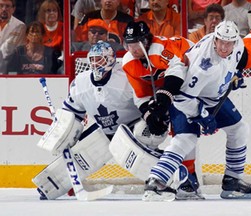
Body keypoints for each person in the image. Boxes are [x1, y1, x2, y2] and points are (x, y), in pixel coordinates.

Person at [142, 20, 251, 201]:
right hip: (186, 98)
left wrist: (234, 74)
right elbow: (182, 99)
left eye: (229, 43)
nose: (224, 47)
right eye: (221, 42)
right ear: (214, 40)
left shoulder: (239, 47)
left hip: (210, 97)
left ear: (235, 42)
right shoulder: (202, 66)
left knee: (239, 128)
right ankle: (156, 181)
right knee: (186, 139)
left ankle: (232, 180)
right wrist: (201, 115)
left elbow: (247, 49)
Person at [33, 41, 142, 200]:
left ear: (111, 59)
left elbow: (145, 102)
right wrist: (63, 130)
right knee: (81, 157)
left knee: (142, 153)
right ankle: (51, 186)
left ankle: (170, 180)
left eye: (100, 59)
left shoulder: (126, 77)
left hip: (132, 128)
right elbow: (72, 112)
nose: (95, 63)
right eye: (92, 59)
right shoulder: (82, 82)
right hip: (105, 131)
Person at [122, 21, 203, 200]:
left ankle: (188, 179)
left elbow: (178, 69)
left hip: (192, 75)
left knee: (183, 128)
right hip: (167, 86)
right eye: (129, 43)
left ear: (146, 41)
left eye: (136, 43)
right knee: (145, 131)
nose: (132, 48)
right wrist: (150, 115)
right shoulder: (128, 62)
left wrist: (164, 98)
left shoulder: (160, 48)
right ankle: (164, 173)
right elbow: (140, 95)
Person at [0, 0, 26, 74]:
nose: (4, 9)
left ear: (13, 9)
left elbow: (15, 52)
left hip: (8, 70)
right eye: (1, 6)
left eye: (7, 6)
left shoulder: (20, 26)